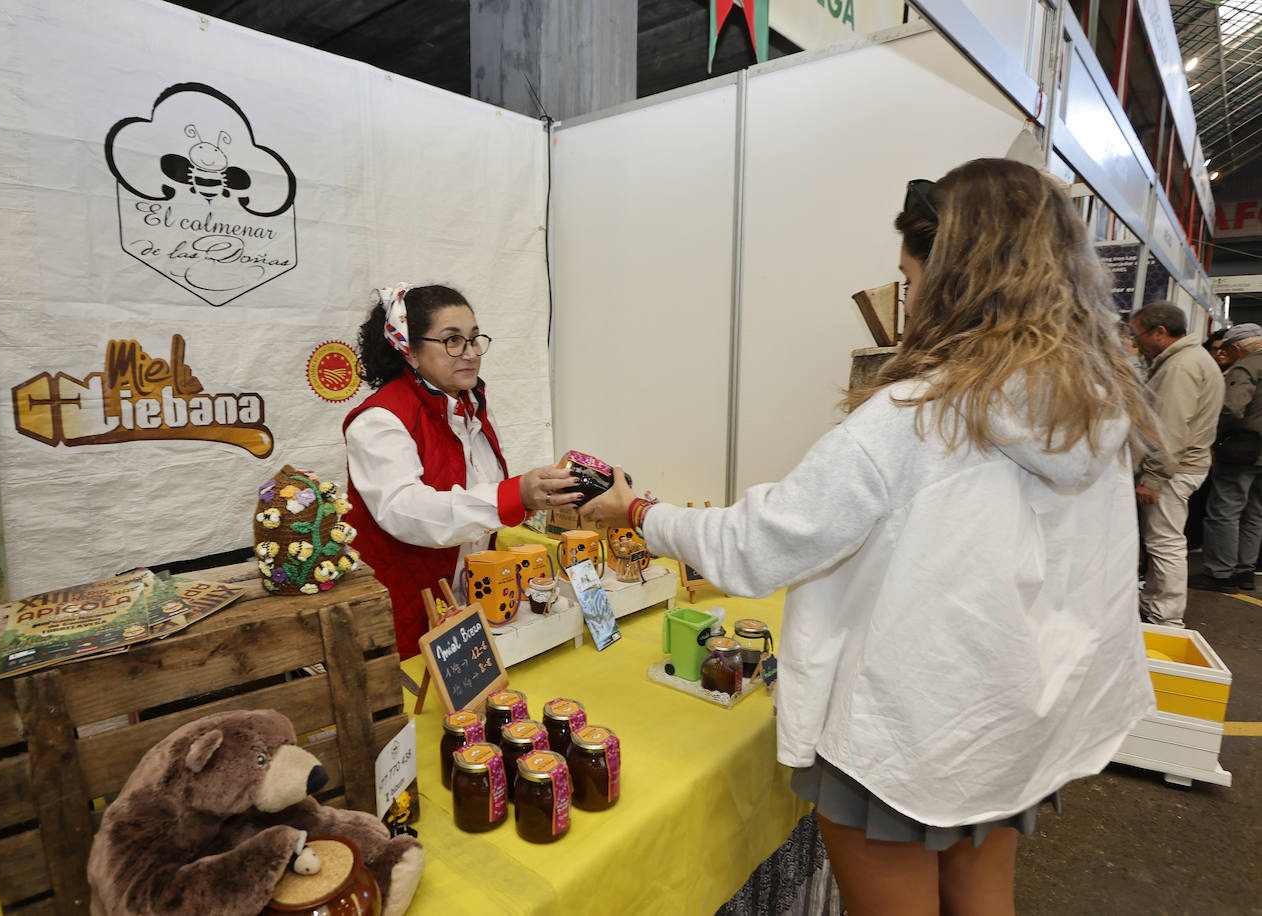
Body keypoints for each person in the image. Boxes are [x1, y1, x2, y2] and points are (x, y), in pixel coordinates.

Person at [581, 159, 1156, 916]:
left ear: (955, 281)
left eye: (909, 280)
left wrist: (638, 512)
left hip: (903, 732)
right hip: (1011, 722)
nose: (905, 301)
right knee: (983, 902)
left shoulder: (914, 418)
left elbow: (759, 545)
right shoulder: (1096, 414)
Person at [343, 284, 577, 657]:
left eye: (473, 340)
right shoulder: (379, 420)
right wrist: (513, 495)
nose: (470, 354)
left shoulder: (471, 406)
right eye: (453, 341)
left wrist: (545, 492)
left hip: (467, 602)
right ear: (412, 351)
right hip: (405, 609)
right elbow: (406, 512)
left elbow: (484, 495)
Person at [1130, 303, 1224, 625]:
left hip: (1174, 470)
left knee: (1164, 542)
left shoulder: (1180, 367)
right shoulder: (1191, 360)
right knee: (1164, 540)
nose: (1136, 342)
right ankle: (1155, 601)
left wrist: (1152, 478)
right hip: (1183, 466)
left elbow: (1168, 428)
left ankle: (1166, 618)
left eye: (1138, 334)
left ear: (1160, 332)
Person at [1191, 323, 1262, 593]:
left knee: (1225, 512)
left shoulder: (1246, 367)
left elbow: (1232, 408)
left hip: (1241, 453)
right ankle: (1245, 571)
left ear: (1235, 348)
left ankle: (1221, 574)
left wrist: (1214, 435)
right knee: (1255, 514)